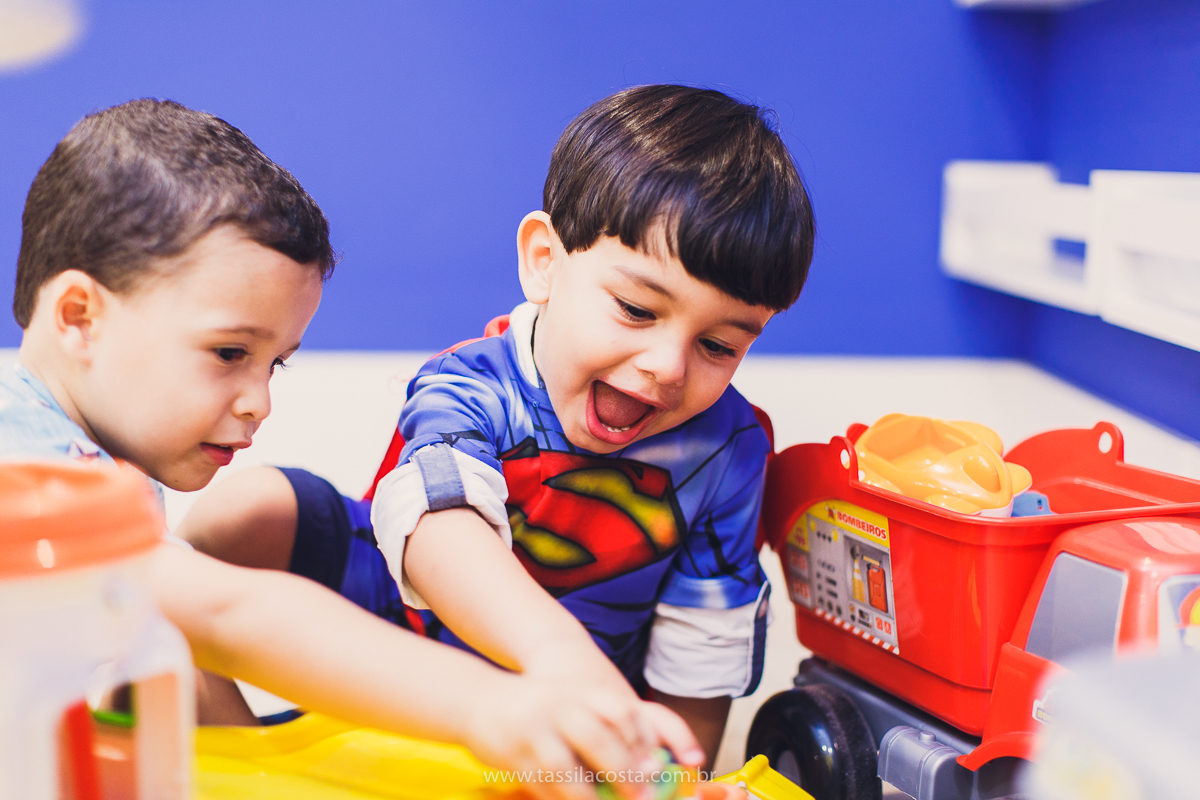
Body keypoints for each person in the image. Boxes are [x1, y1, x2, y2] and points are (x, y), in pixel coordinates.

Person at [0, 98, 703, 800]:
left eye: (273, 364)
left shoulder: (95, 470)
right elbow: (229, 614)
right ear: (79, 318)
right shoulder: (27, 468)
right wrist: (488, 707)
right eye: (228, 352)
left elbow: (184, 630)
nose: (259, 402)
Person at [184, 84, 815, 769]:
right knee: (237, 518)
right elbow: (437, 533)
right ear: (544, 261)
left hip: (593, 695)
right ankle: (241, 757)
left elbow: (703, 643)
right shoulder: (468, 383)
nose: (667, 367)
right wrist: (556, 654)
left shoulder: (728, 447)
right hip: (402, 632)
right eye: (637, 309)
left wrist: (667, 769)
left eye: (720, 346)